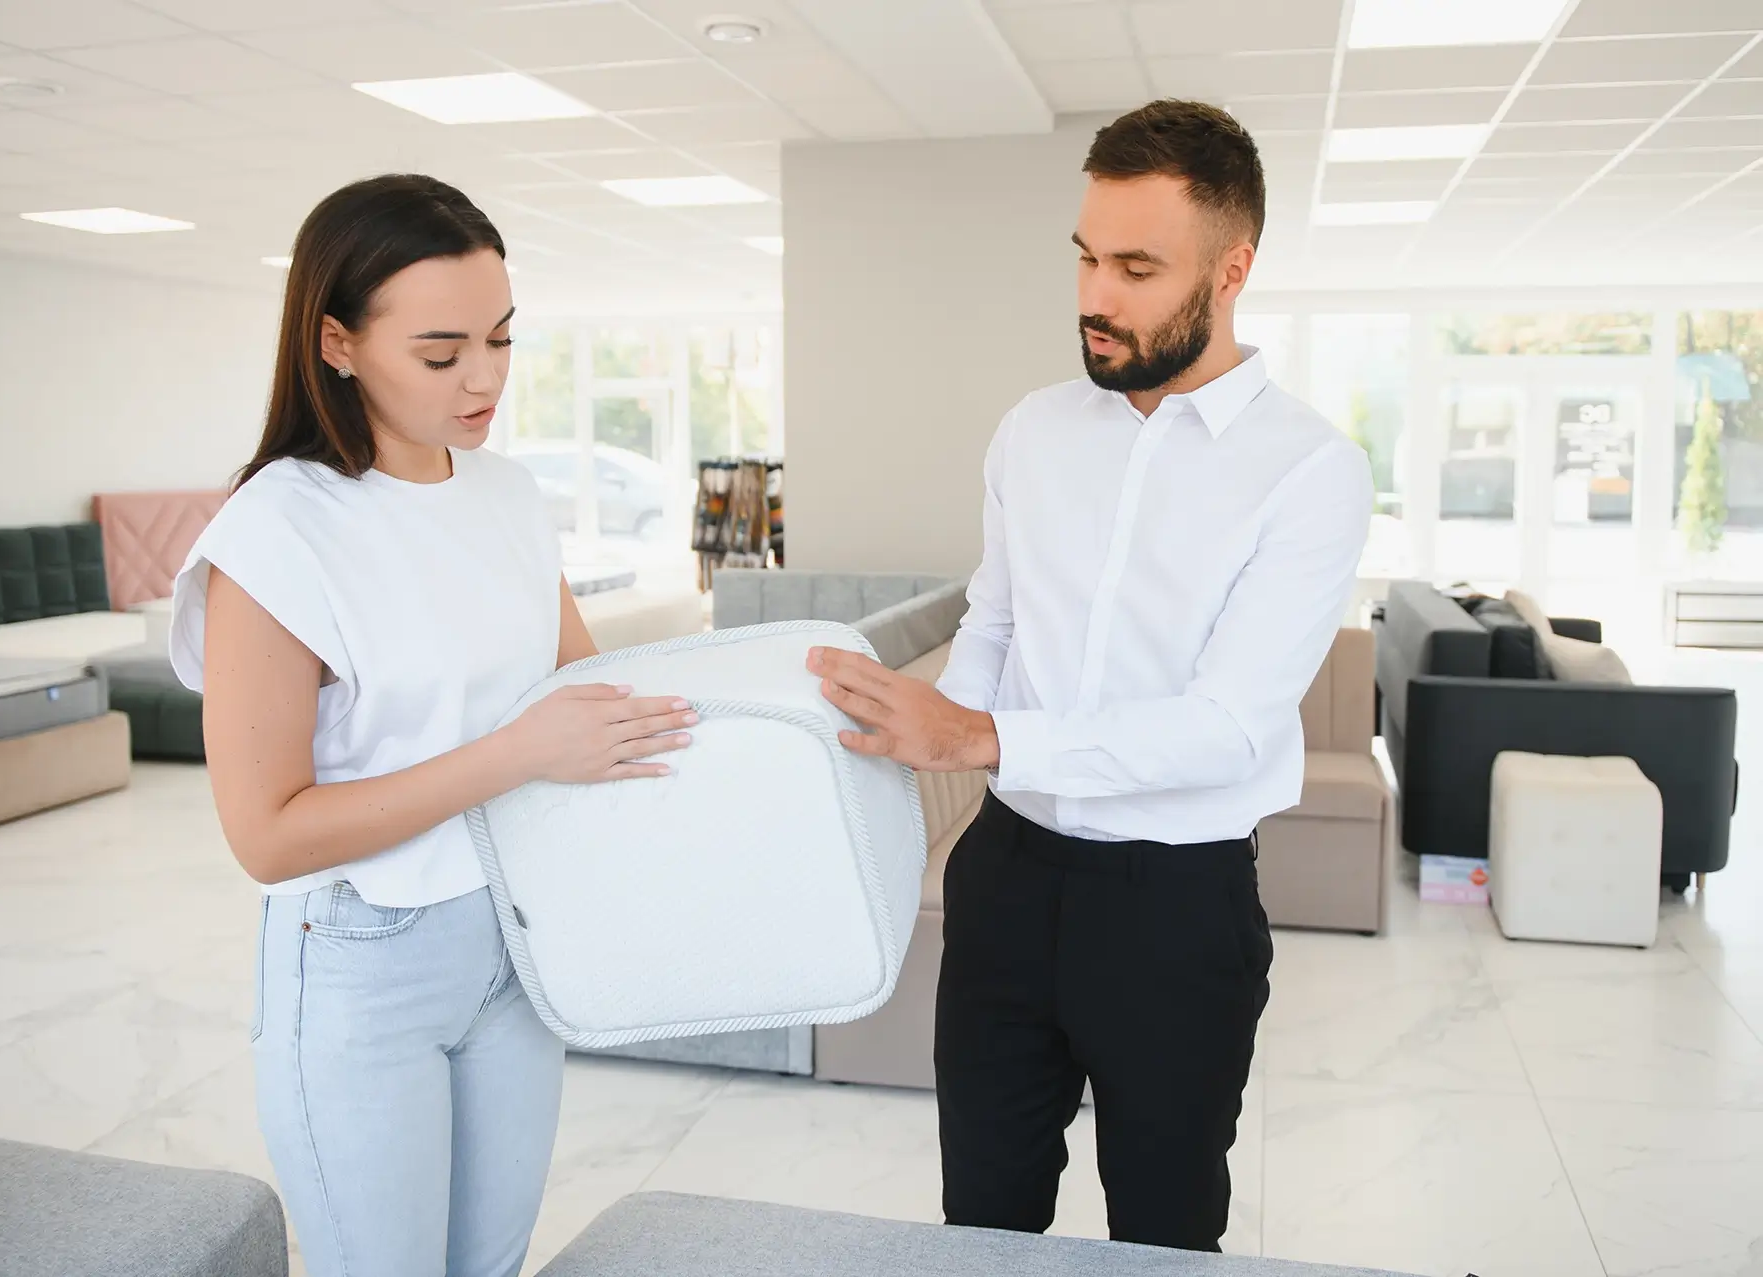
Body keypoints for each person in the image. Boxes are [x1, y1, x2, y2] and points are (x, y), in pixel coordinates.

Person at [806, 100, 1373, 1251]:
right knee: (983, 1218)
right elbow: (997, 625)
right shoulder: (1034, 430)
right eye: (1083, 255)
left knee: (1163, 1231)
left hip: (1175, 906)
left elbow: (1224, 726)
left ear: (1232, 270)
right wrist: (925, 731)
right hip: (1006, 879)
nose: (1092, 295)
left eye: (1135, 266)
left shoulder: (1310, 470)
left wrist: (979, 740)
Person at [169, 174, 697, 1277]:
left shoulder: (505, 493)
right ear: (339, 342)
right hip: (364, 960)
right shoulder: (275, 532)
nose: (486, 379)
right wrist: (513, 756)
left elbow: (578, 688)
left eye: (502, 340)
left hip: (513, 941)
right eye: (442, 351)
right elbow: (267, 832)